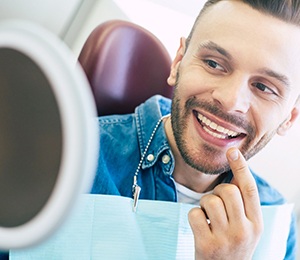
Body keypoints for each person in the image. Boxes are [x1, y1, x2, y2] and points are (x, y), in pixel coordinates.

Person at [92, 0, 300, 259]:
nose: (230, 100)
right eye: (214, 64)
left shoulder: (277, 227)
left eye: (264, 88)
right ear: (178, 62)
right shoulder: (76, 155)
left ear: (288, 119)